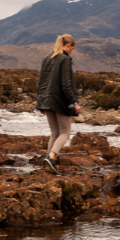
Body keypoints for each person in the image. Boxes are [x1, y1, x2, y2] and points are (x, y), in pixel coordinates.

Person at [36, 34, 81, 174]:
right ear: (68, 45)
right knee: (65, 132)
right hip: (61, 101)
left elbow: (42, 82)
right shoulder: (64, 59)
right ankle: (51, 156)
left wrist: (41, 103)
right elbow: (65, 84)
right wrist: (74, 102)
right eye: (71, 48)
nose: (71, 51)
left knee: (54, 133)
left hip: (47, 100)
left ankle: (48, 162)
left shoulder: (47, 58)